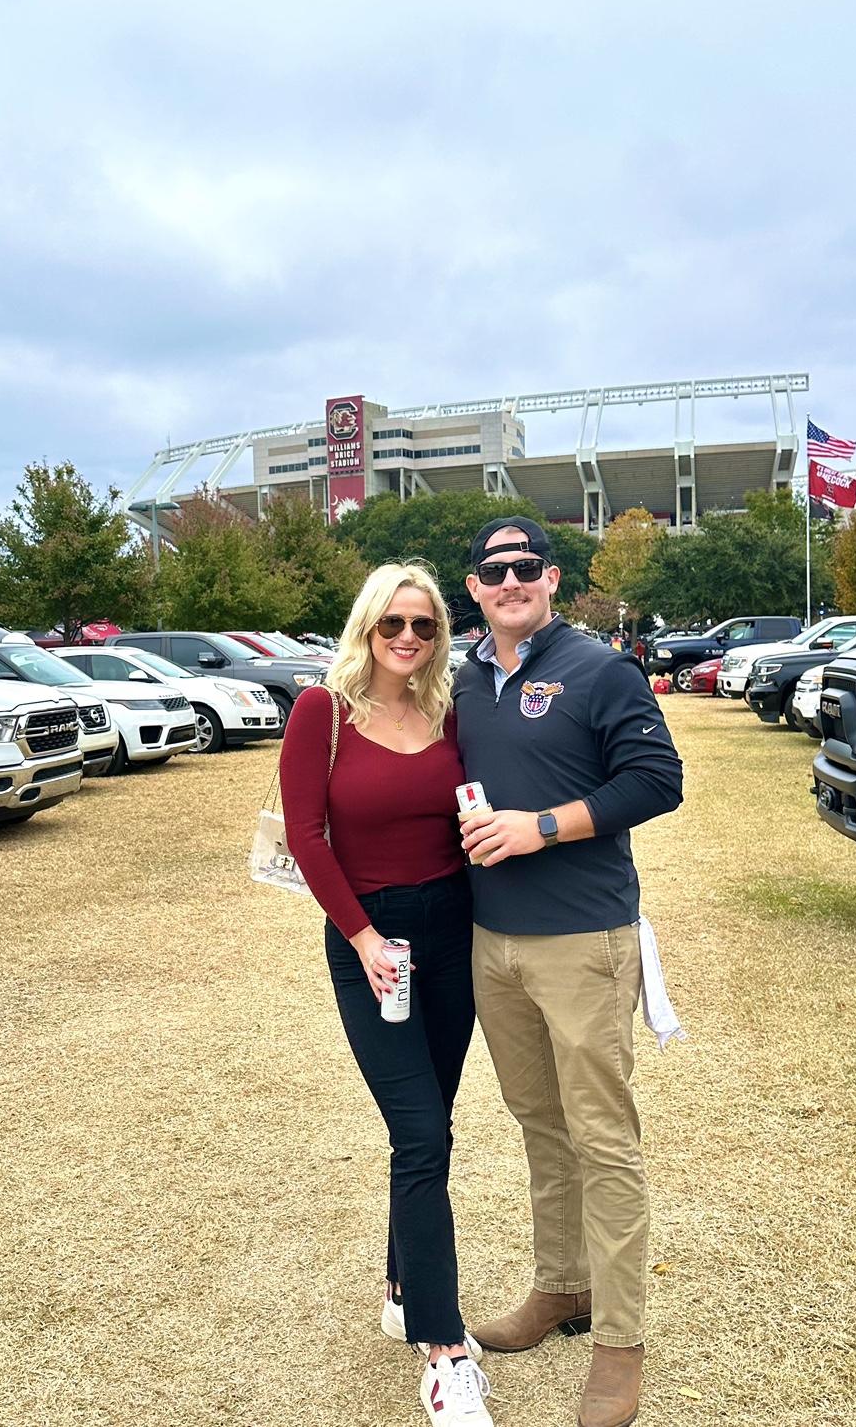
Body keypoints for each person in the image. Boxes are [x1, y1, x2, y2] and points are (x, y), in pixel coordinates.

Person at [452, 518, 684, 1427]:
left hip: (583, 940)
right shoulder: (464, 679)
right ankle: (562, 1288)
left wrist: (541, 825)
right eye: (490, 570)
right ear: (473, 587)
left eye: (523, 568)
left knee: (602, 1138)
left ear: (550, 577)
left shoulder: (598, 668)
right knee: (539, 1124)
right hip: (491, 941)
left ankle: (620, 1344)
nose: (508, 582)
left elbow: (657, 780)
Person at [280, 562, 495, 1427]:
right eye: (392, 624)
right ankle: (443, 1353)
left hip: (455, 933)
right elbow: (305, 834)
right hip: (372, 943)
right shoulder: (320, 713)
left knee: (431, 1128)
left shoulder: (451, 713)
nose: (408, 639)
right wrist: (364, 937)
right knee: (418, 1132)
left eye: (424, 626)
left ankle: (405, 1289)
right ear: (366, 627)